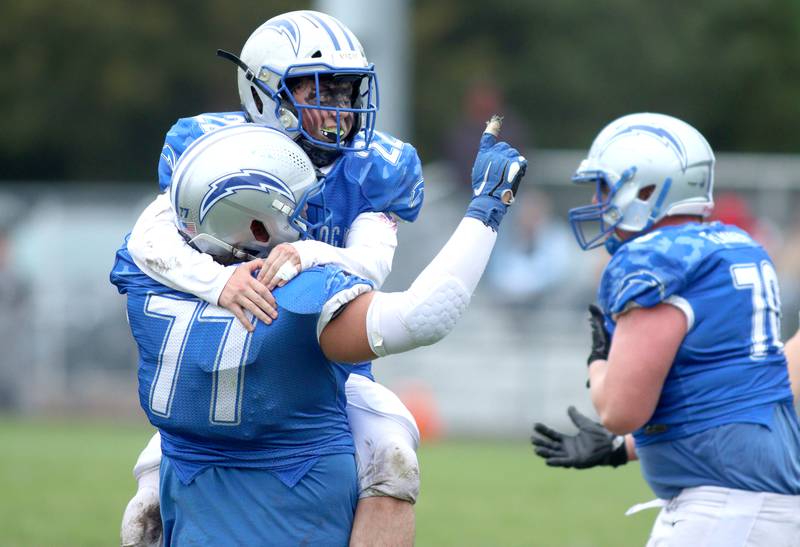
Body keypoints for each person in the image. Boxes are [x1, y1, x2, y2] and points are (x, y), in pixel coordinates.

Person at [111, 120, 526, 544]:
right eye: (288, 208)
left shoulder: (142, 278)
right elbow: (423, 316)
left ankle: (148, 491)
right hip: (289, 445)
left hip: (190, 436)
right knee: (390, 452)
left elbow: (152, 236)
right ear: (256, 225)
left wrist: (216, 282)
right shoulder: (297, 297)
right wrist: (486, 209)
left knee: (147, 504)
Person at [120, 10, 426, 546]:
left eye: (345, 92)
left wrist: (306, 252)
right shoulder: (213, 148)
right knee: (144, 510)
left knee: (394, 452)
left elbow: (374, 261)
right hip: (219, 355)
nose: (339, 110)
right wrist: (220, 284)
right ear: (265, 93)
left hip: (318, 365)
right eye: (320, 92)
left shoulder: (376, 165)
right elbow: (147, 239)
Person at [531, 113, 800, 546]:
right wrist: (626, 448)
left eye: (605, 186)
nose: (599, 202)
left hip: (722, 509)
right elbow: (737, 396)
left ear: (647, 189)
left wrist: (598, 364)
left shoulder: (656, 259)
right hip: (762, 502)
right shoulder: (736, 247)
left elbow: (621, 411)